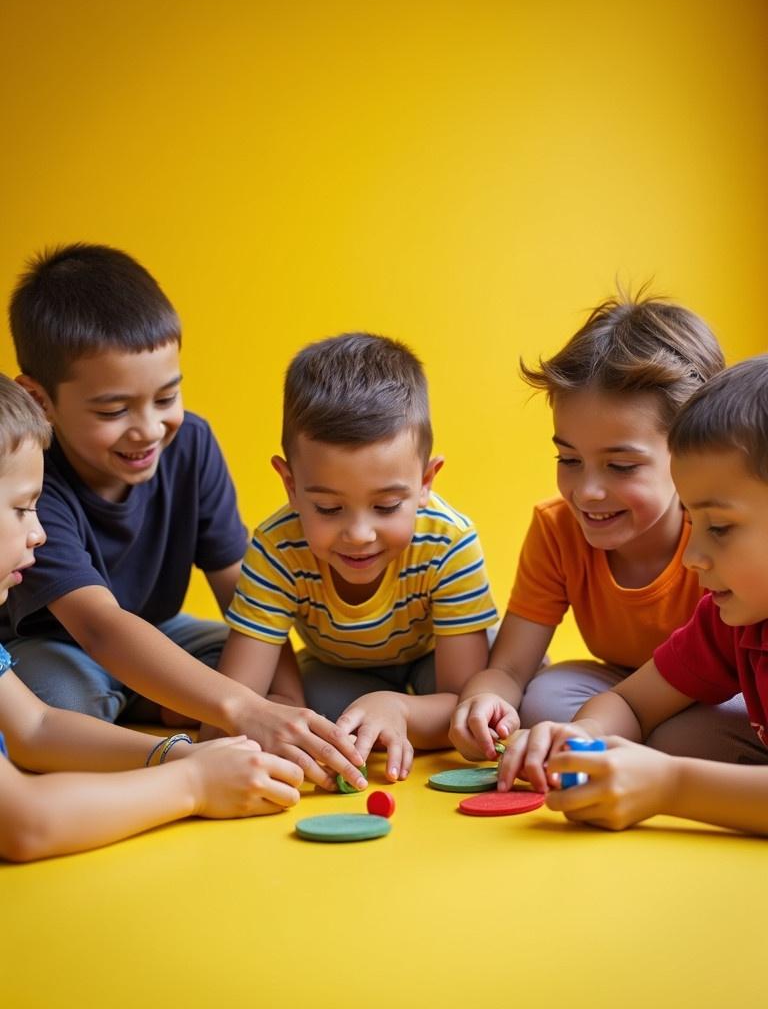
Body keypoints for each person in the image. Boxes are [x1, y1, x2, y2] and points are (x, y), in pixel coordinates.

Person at [3, 244, 364, 792]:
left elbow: (251, 599)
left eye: (166, 397)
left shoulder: (191, 443)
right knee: (57, 694)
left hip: (161, 629)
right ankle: (153, 718)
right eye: (113, 410)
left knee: (243, 657)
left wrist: (279, 700)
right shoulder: (29, 482)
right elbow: (99, 628)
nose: (148, 429)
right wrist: (243, 708)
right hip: (63, 643)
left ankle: (163, 698)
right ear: (40, 400)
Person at [0, 373, 303, 861]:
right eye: (21, 510)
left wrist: (183, 752)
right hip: (66, 652)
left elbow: (35, 729)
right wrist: (193, 783)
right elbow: (24, 825)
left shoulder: (193, 446)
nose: (38, 534)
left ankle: (152, 698)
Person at [450, 292, 729, 775]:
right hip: (623, 687)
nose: (588, 492)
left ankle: (652, 745)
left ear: (690, 451)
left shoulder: (722, 538)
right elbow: (513, 667)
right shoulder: (558, 529)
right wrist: (482, 702)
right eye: (569, 460)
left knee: (692, 729)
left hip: (723, 688)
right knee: (545, 698)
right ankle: (641, 738)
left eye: (621, 466)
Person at [502, 356, 768, 835]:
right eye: (693, 520)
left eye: (720, 528)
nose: (692, 555)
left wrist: (671, 786)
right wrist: (582, 739)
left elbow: (671, 773)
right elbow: (631, 703)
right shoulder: (729, 619)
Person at [215, 332, 498, 781]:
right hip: (339, 667)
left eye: (386, 507)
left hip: (435, 660)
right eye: (328, 508)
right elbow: (236, 700)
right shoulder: (277, 547)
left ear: (426, 481)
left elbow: (462, 700)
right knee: (327, 713)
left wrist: (398, 708)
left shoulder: (449, 541)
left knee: (487, 714)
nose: (360, 535)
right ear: (290, 486)